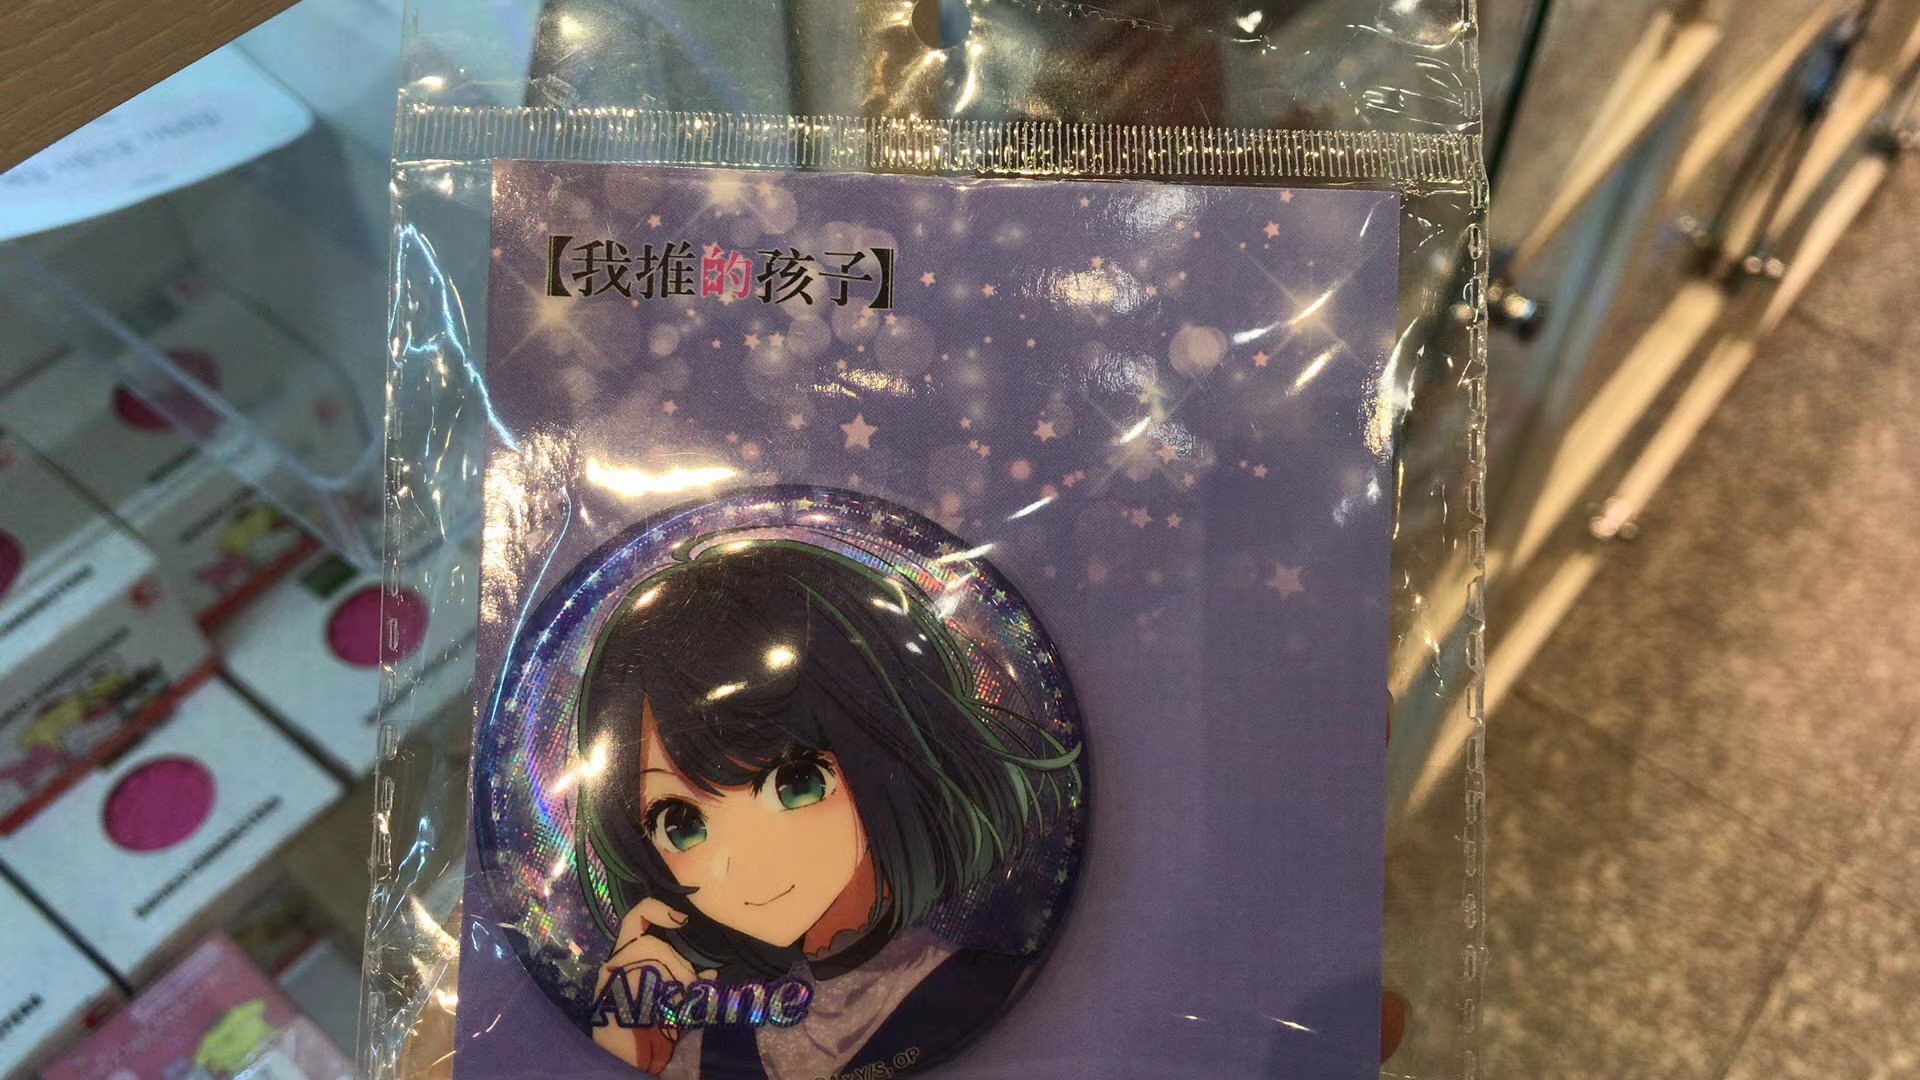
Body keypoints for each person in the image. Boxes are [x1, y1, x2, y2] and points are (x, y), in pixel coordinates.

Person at [574, 537, 1079, 1079]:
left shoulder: (988, 994)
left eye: (795, 784)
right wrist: (631, 1050)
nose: (741, 863)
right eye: (681, 824)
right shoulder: (702, 1041)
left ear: (886, 755)